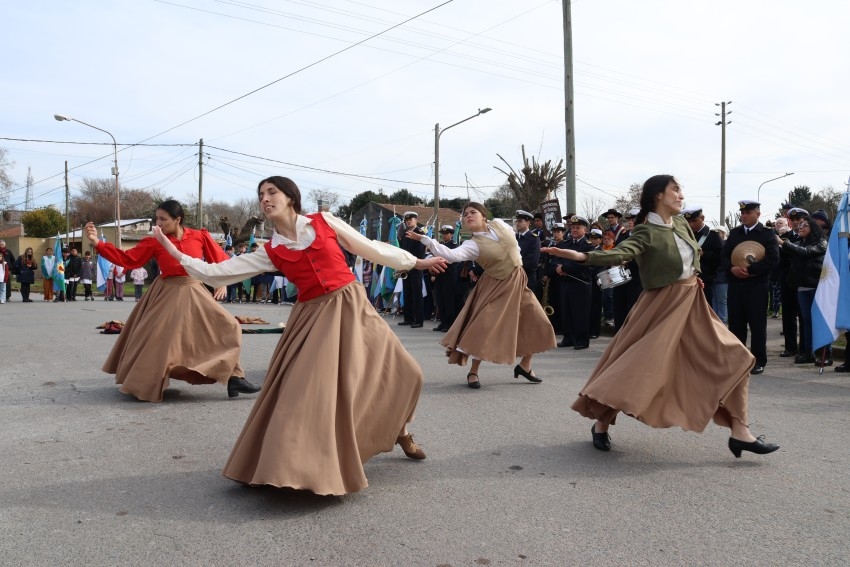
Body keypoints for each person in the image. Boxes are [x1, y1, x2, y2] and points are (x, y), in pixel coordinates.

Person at [153, 176, 448, 495]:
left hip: (351, 304)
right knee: (312, 393)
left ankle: (401, 431)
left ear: (290, 197)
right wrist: (173, 250)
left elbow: (371, 248)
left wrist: (417, 262)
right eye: (261, 195)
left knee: (407, 372)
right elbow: (218, 272)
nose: (265, 199)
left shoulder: (324, 222)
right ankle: (296, 464)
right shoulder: (272, 250)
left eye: (272, 192)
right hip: (313, 318)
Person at [543, 175, 779, 458]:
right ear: (657, 196)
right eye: (675, 190)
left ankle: (740, 432)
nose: (681, 195)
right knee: (637, 369)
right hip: (661, 305)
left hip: (692, 301)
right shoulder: (645, 232)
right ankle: (601, 423)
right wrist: (582, 257)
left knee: (738, 357)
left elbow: (694, 254)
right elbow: (620, 253)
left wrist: (695, 275)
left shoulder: (680, 223)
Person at [84, 200, 260, 403]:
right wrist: (98, 243)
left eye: (163, 219)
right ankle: (145, 383)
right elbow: (128, 259)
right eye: (156, 218)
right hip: (167, 292)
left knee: (227, 326)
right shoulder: (155, 240)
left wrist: (222, 283)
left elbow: (219, 260)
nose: (158, 223)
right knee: (161, 340)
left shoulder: (199, 236)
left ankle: (234, 378)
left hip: (195, 289)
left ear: (178, 220)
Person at [407, 202, 557, 389]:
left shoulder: (500, 224)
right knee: (485, 326)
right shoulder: (472, 244)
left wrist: (515, 261)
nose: (468, 216)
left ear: (483, 216)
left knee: (537, 321)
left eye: (473, 212)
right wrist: (426, 240)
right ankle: (474, 371)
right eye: (465, 214)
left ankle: (525, 366)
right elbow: (451, 255)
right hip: (495, 284)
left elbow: (515, 247)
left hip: (517, 281)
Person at [720, 200, 780, 375]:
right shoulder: (735, 233)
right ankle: (738, 360)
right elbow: (724, 257)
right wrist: (732, 269)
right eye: (742, 213)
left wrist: (750, 270)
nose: (744, 215)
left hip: (757, 286)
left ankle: (758, 360)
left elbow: (773, 260)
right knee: (736, 325)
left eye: (748, 212)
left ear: (758, 214)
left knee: (757, 325)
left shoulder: (767, 234)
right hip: (736, 285)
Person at [777, 218, 828, 364]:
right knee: (806, 321)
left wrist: (784, 243)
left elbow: (806, 252)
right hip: (802, 287)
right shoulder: (799, 243)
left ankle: (825, 354)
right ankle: (808, 352)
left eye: (805, 225)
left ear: (813, 227)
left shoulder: (821, 243)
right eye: (799, 226)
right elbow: (791, 254)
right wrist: (779, 242)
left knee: (819, 321)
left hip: (816, 286)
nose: (800, 228)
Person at [555, 215, 595, 349]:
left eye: (578, 228)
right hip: (566, 282)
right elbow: (558, 258)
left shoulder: (588, 246)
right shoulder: (566, 244)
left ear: (585, 229)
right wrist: (558, 267)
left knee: (580, 312)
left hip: (581, 283)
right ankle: (568, 338)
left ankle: (582, 340)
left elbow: (583, 264)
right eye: (572, 228)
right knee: (567, 311)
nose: (574, 230)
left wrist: (564, 267)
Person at [682, 206, 722, 308]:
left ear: (702, 218)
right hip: (685, 281)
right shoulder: (684, 235)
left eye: (694, 221)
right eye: (688, 221)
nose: (691, 224)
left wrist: (705, 254)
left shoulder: (712, 236)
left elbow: (721, 258)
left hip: (705, 281)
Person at [398, 211, 427, 328]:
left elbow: (420, 251)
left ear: (416, 220)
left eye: (411, 219)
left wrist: (412, 262)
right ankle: (408, 318)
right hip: (406, 267)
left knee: (416, 293)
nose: (408, 221)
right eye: (407, 220)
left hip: (416, 265)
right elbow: (403, 250)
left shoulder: (420, 232)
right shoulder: (405, 233)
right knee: (407, 292)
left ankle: (419, 320)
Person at [431, 225, 461, 332]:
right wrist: (434, 272)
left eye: (446, 233)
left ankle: (449, 323)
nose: (444, 236)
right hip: (440, 275)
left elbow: (454, 261)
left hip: (449, 275)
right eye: (443, 234)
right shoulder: (440, 246)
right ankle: (442, 321)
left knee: (449, 300)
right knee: (441, 299)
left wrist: (441, 268)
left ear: (452, 234)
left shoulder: (454, 245)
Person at [514, 210, 541, 292]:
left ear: (528, 222)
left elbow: (532, 262)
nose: (518, 223)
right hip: (514, 277)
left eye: (521, 221)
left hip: (527, 277)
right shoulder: (514, 238)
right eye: (517, 221)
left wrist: (514, 265)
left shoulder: (533, 239)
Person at [711, 226, 729, 324]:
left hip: (722, 278)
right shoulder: (714, 245)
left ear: (724, 233)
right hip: (714, 277)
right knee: (714, 300)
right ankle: (715, 321)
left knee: (722, 300)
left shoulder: (726, 245)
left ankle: (722, 321)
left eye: (719, 232)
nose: (717, 234)